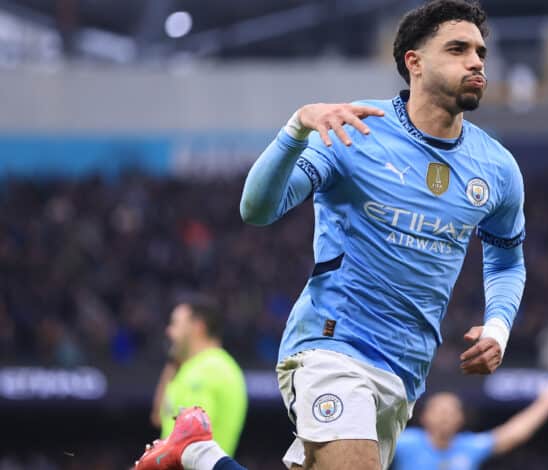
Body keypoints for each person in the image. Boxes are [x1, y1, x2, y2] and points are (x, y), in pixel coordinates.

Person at [135, 1, 526, 469]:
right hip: (333, 344)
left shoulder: (497, 167)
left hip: (405, 370)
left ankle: (198, 453)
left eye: (480, 51)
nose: (477, 61)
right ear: (414, 63)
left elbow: (506, 258)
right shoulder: (353, 131)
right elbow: (257, 210)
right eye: (458, 49)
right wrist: (297, 127)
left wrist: (499, 328)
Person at [149, 296, 248, 457]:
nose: (169, 331)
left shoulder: (208, 370)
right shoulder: (195, 367)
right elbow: (158, 417)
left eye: (175, 324)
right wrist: (173, 361)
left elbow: (190, 443)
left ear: (198, 328)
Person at [392, 386, 548, 470]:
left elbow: (512, 433)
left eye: (451, 411)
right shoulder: (404, 442)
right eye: (439, 411)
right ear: (424, 417)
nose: (445, 416)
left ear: (461, 419)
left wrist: (545, 404)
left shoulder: (471, 446)